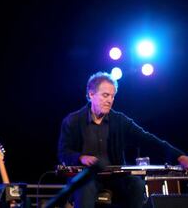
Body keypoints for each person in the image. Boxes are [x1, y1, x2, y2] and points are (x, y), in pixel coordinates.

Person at [57, 71, 188, 208]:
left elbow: (148, 139)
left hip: (114, 178)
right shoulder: (73, 120)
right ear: (91, 94)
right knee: (85, 186)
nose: (110, 100)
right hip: (86, 178)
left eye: (113, 96)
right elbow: (63, 152)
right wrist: (81, 157)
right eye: (105, 95)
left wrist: (179, 156)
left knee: (136, 184)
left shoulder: (119, 121)